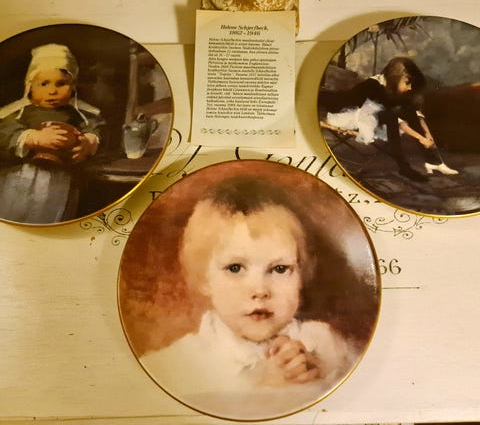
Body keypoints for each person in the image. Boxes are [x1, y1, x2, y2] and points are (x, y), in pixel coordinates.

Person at [141, 176, 358, 410]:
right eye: (235, 268)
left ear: (300, 274)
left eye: (279, 269)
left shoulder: (327, 344)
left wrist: (322, 378)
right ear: (204, 278)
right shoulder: (175, 365)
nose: (260, 291)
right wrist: (265, 392)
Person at [0, 43, 103, 224]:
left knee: (52, 217)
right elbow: (4, 132)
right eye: (44, 84)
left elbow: (96, 128)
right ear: (30, 86)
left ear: (73, 86)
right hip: (21, 176)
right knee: (14, 212)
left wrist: (88, 142)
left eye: (61, 84)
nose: (52, 91)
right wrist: (33, 138)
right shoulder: (19, 113)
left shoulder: (80, 114)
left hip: (61, 179)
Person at [323, 56, 458, 181]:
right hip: (351, 114)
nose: (410, 87)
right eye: (407, 83)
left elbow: (412, 111)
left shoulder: (392, 87)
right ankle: (403, 167)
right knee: (392, 117)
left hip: (374, 114)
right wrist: (421, 138)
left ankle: (434, 161)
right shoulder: (373, 86)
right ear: (396, 77)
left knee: (406, 111)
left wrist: (427, 134)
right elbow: (399, 122)